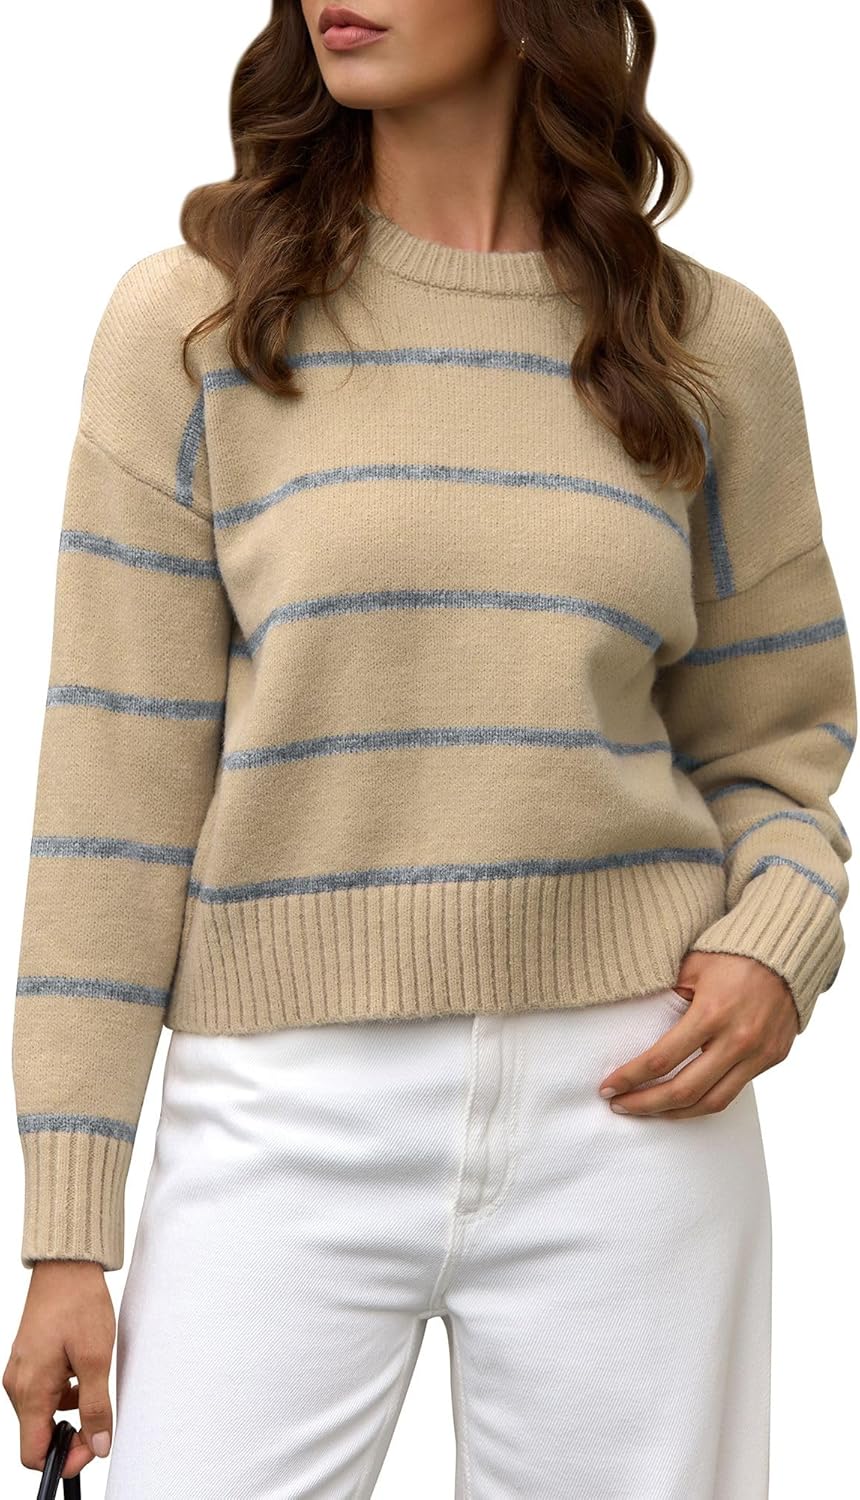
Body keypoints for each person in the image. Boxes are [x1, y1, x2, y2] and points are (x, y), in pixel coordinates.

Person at [4, 2, 855, 1495]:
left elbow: (778, 740)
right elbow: (112, 792)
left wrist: (779, 938)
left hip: (635, 1099)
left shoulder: (706, 346)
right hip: (282, 1107)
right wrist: (69, 1235)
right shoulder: (197, 323)